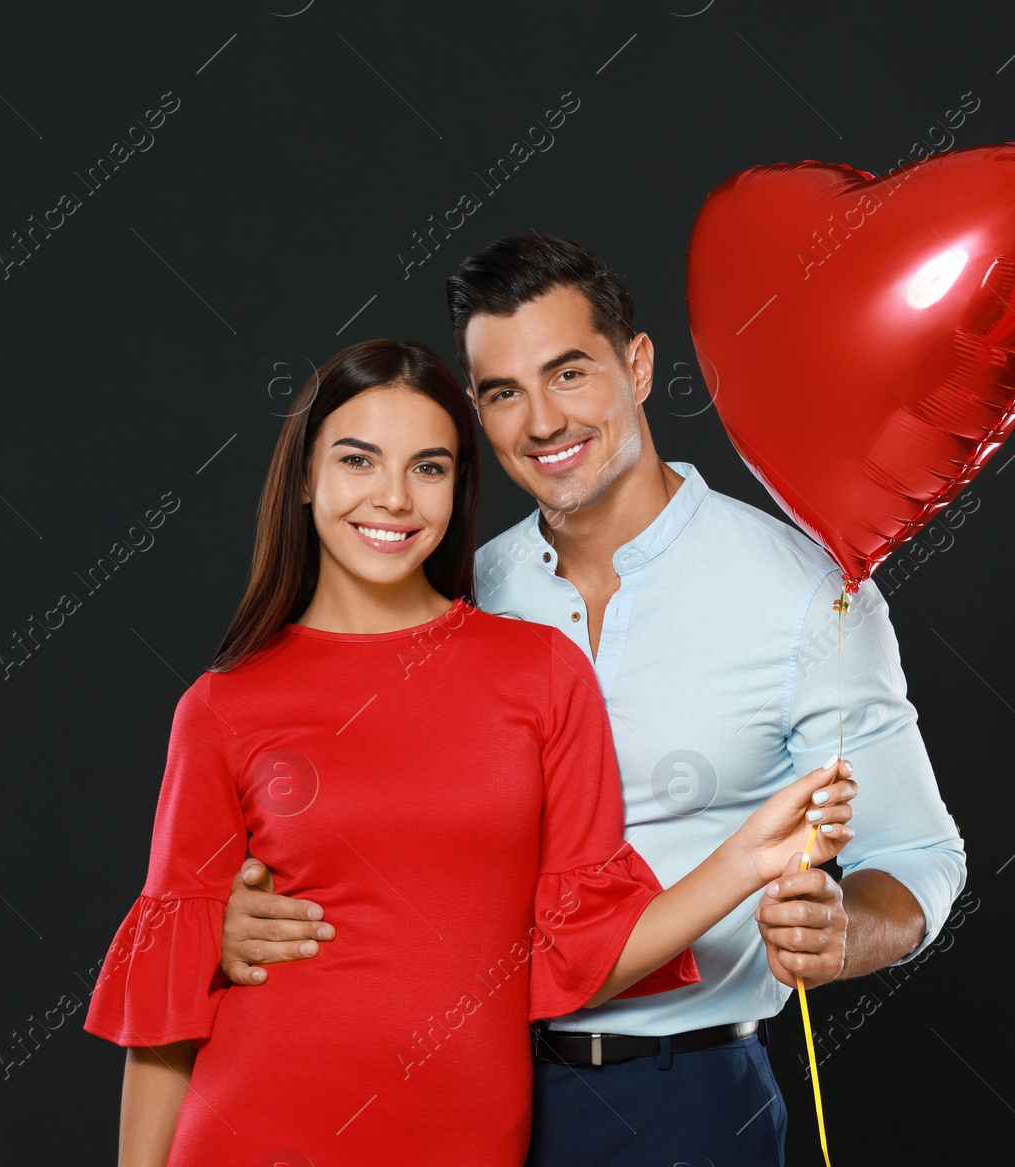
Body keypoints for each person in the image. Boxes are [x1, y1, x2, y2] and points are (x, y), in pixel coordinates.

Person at [218, 237, 969, 1165]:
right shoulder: (461, 595)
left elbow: (922, 853)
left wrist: (844, 931)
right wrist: (236, 920)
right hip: (458, 1091)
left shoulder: (803, 595)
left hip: (688, 1100)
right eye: (502, 393)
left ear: (640, 365)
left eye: (568, 372)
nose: (541, 421)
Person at [79, 336, 861, 1166]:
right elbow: (166, 1009)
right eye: (358, 460)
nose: (392, 497)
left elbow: (583, 951)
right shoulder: (222, 705)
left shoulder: (539, 673)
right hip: (257, 1126)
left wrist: (747, 857)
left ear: (460, 486)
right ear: (306, 477)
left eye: (429, 467)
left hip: (468, 1138)